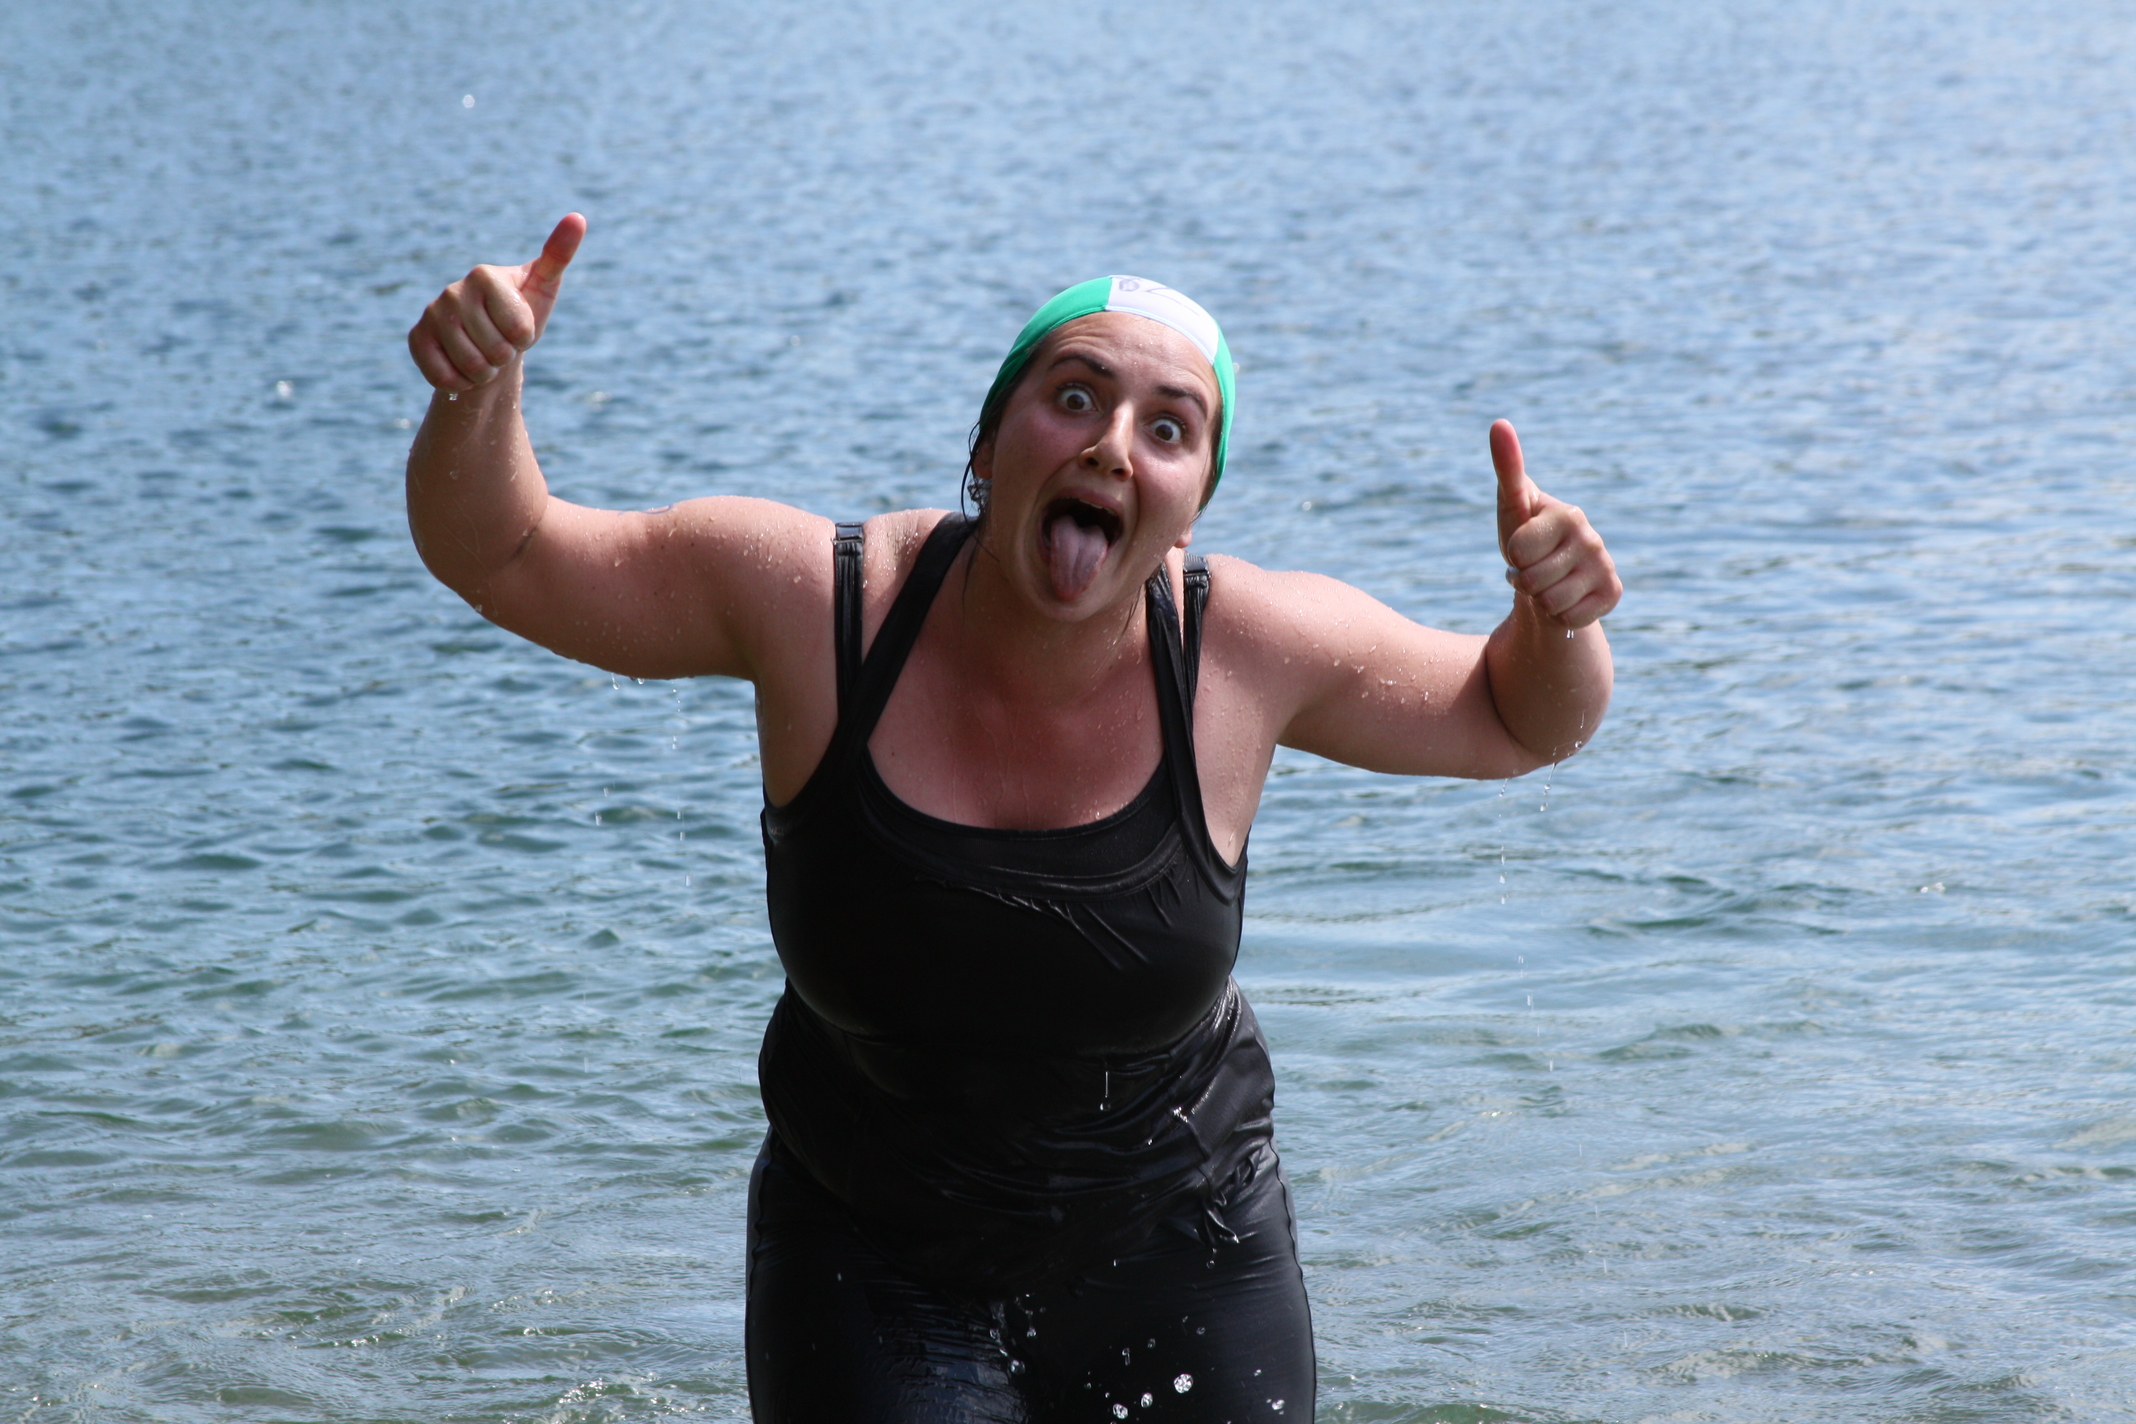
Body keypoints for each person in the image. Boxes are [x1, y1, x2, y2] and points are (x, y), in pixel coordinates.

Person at [406, 213, 1621, 1422]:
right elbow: (505, 552)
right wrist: (480, 386)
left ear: (1193, 504)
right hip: (872, 1250)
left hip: (1185, 1240)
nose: (1112, 447)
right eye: (1074, 396)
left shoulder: (1246, 648)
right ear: (988, 442)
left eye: (1169, 428)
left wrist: (1557, 620)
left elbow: (1520, 718)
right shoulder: (818, 604)